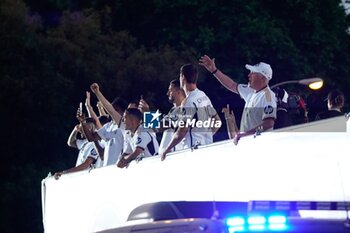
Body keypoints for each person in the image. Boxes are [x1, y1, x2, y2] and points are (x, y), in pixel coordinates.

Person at [199, 55, 276, 143]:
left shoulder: (267, 96)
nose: (249, 75)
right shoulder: (251, 92)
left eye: (252, 72)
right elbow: (232, 85)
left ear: (262, 77)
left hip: (259, 146)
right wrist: (214, 70)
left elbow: (268, 124)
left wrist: (244, 134)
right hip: (249, 145)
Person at [160, 64, 222, 161]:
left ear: (183, 77)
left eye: (170, 90)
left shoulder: (187, 103)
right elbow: (218, 121)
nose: (167, 93)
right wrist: (205, 136)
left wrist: (145, 114)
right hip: (206, 148)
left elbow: (179, 131)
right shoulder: (203, 96)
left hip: (192, 152)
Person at [82, 83, 127, 166]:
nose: (110, 112)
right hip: (107, 169)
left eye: (115, 109)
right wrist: (82, 122)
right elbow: (91, 138)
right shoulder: (108, 126)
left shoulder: (125, 126)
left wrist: (97, 93)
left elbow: (155, 129)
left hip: (120, 169)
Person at [139, 79, 186, 154]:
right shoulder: (173, 110)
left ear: (178, 92)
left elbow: (159, 127)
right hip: (166, 155)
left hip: (174, 155)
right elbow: (155, 129)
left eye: (170, 90)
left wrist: (147, 112)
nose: (167, 93)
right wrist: (146, 113)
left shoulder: (182, 110)